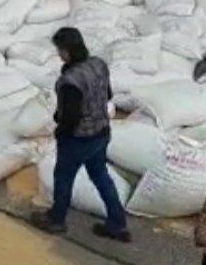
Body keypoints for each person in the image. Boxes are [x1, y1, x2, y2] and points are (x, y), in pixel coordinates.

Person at [31, 27, 131, 242]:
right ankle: (118, 223)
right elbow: (108, 94)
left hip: (78, 139)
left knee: (63, 178)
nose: (59, 54)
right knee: (101, 176)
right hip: (102, 132)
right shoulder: (98, 64)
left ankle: (56, 220)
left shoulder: (70, 81)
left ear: (66, 51)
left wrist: (60, 132)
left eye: (59, 50)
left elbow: (70, 118)